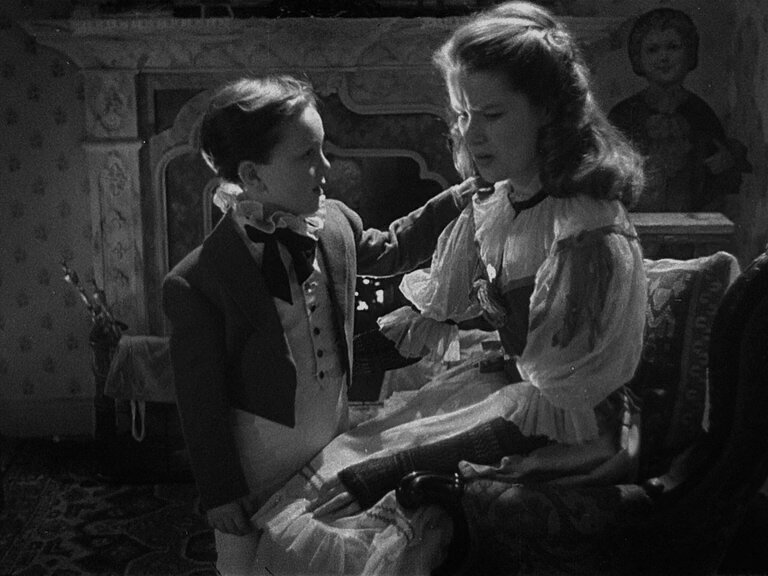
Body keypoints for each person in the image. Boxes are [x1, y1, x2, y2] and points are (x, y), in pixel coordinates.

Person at [248, 4, 648, 574]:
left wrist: (396, 466)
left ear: (549, 111)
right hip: (518, 392)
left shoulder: (583, 231)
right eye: (462, 114)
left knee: (367, 493)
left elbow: (565, 396)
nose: (471, 134)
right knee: (342, 468)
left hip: (574, 427)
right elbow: (435, 304)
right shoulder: (499, 200)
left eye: (492, 114)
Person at [161, 75, 471, 576]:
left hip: (330, 439)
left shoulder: (334, 224)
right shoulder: (197, 281)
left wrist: (456, 201)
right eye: (308, 155)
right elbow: (200, 401)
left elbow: (392, 247)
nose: (327, 166)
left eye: (323, 149)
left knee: (316, 557)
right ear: (253, 176)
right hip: (256, 462)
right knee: (246, 566)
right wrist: (220, 492)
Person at [609, 7, 750, 213]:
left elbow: (718, 181)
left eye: (673, 47)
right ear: (638, 57)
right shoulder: (624, 114)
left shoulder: (700, 114)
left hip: (692, 219)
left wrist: (723, 163)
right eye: (653, 50)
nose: (663, 57)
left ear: (689, 53)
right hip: (635, 219)